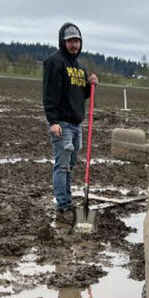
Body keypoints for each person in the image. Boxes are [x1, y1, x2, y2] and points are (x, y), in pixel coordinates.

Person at [42, 22, 98, 226]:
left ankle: (66, 202)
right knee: (62, 167)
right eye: (70, 41)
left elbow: (80, 95)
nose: (74, 45)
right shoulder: (54, 62)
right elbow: (49, 94)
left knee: (70, 166)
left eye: (77, 41)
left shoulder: (80, 67)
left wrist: (90, 84)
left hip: (76, 125)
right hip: (62, 125)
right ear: (63, 41)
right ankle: (63, 207)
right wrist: (53, 121)